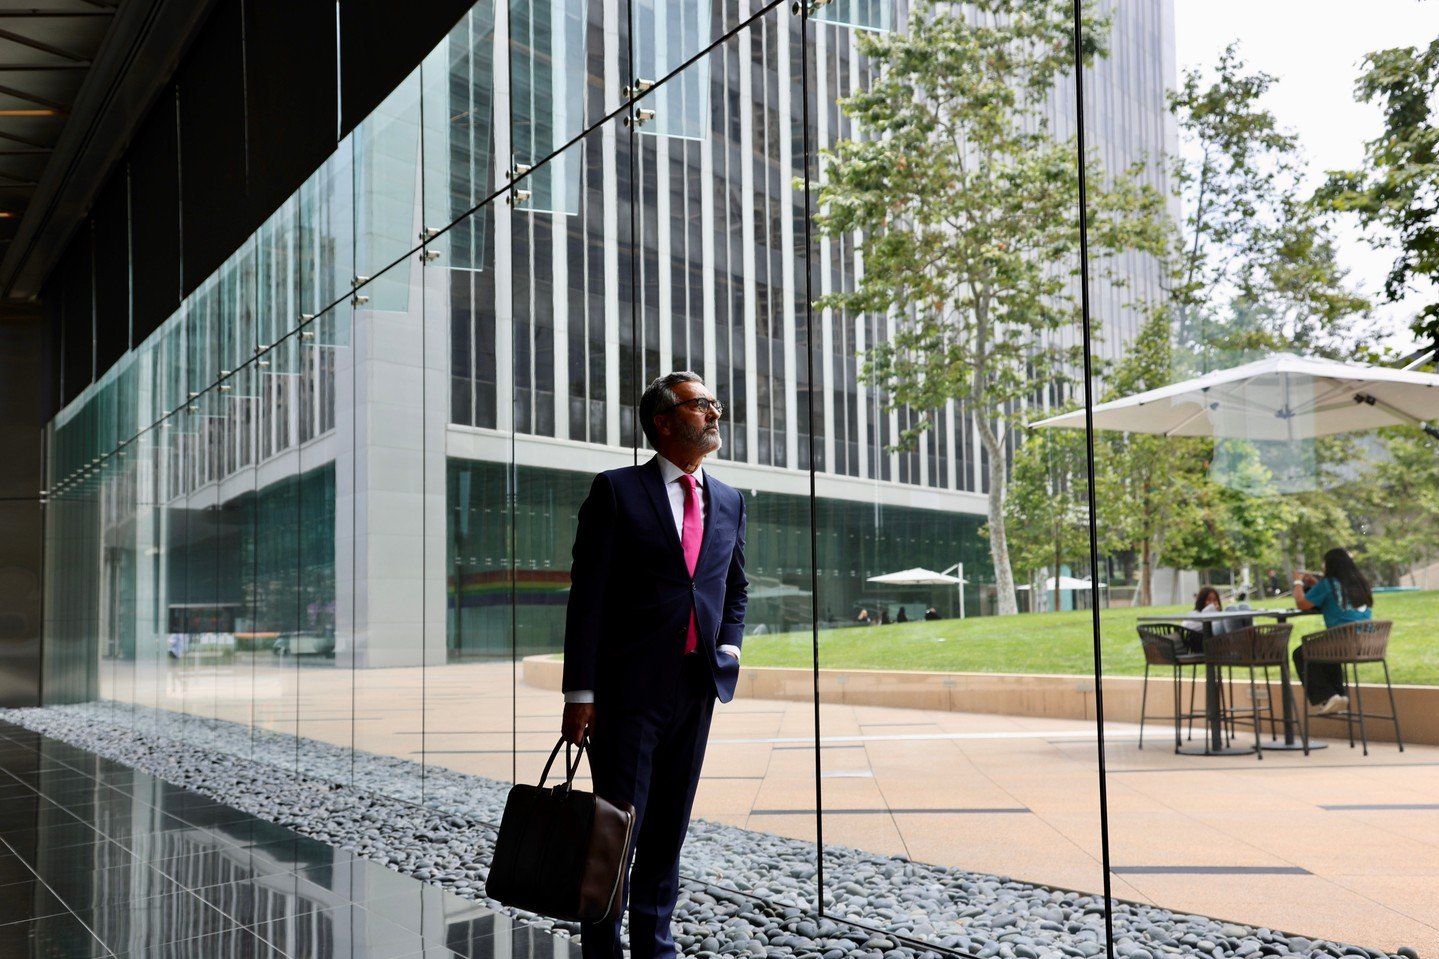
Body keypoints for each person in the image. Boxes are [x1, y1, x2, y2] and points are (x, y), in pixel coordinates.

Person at [560, 371, 748, 959]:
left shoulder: (730, 500)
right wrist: (579, 694)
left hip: (696, 687)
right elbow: (587, 597)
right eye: (701, 405)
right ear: (663, 421)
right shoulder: (616, 491)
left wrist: (730, 647)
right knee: (615, 829)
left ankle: (655, 945)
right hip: (625, 694)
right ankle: (602, 948)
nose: (715, 413)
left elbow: (734, 587)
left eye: (714, 404)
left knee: (668, 829)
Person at [1292, 548, 1373, 715]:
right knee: (1325, 650)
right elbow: (1336, 600)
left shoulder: (1328, 584)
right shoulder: (1361, 584)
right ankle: (1338, 698)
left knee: (1301, 653)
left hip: (1343, 641)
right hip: (1368, 643)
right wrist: (1315, 584)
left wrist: (1298, 582)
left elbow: (1301, 603)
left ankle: (1328, 696)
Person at [1180, 585, 1222, 651]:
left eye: (1215, 600)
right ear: (1202, 600)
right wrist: (1211, 609)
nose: (1212, 603)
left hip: (1222, 641)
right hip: (1205, 645)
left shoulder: (1220, 615)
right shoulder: (1194, 614)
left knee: (1232, 609)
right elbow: (1186, 625)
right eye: (1208, 599)